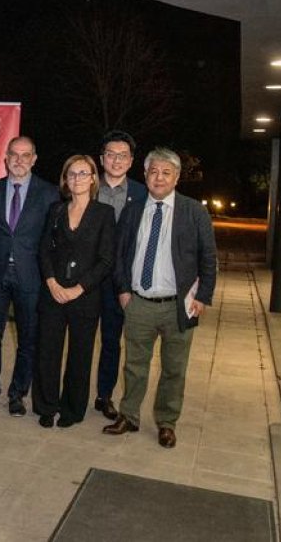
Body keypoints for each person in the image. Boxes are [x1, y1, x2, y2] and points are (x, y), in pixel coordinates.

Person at [104, 148, 216, 449]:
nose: (159, 177)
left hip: (179, 305)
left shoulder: (194, 211)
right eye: (153, 171)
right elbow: (120, 255)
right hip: (139, 303)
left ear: (177, 177)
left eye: (166, 172)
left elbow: (209, 258)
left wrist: (203, 296)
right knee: (134, 364)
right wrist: (124, 291)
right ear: (145, 174)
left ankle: (167, 423)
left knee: (174, 368)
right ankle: (129, 415)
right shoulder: (133, 209)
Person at [0, 136, 60, 416]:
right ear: (6, 158)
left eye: (26, 155)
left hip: (31, 277)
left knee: (28, 339)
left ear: (34, 159)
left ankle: (18, 394)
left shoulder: (49, 194)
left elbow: (53, 240)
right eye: (15, 154)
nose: (20, 160)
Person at [33, 155, 115, 427]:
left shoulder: (104, 213)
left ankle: (72, 409)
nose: (77, 179)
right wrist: (52, 283)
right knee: (48, 351)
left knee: (80, 355)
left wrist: (79, 288)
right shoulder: (55, 210)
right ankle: (46, 406)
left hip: (85, 297)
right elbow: (43, 250)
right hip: (53, 293)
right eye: (72, 174)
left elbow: (106, 259)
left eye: (83, 173)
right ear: (65, 180)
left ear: (93, 178)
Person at [93, 130, 147, 420]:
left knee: (112, 340)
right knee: (81, 339)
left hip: (121, 280)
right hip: (87, 280)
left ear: (131, 160)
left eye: (123, 155)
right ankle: (73, 393)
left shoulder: (141, 193)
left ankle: (105, 395)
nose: (116, 160)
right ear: (102, 158)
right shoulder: (85, 185)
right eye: (111, 154)